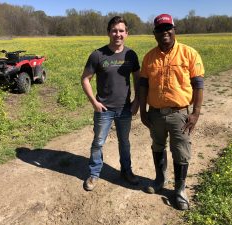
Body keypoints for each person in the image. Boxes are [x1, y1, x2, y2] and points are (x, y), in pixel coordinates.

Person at [139, 14, 204, 210]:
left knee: (181, 152)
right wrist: (143, 110)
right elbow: (142, 86)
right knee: (157, 146)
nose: (164, 32)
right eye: (160, 29)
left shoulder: (189, 53)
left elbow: (198, 84)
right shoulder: (149, 57)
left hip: (180, 114)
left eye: (168, 28)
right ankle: (160, 180)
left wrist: (196, 113)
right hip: (156, 113)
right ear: (154, 33)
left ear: (174, 30)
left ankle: (180, 189)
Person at [81, 16, 141, 191]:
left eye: (121, 31)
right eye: (114, 30)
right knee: (98, 142)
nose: (118, 34)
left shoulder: (131, 55)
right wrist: (94, 102)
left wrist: (137, 101)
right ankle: (94, 173)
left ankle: (126, 171)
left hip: (125, 108)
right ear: (108, 32)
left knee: (125, 142)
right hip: (104, 109)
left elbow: (137, 79)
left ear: (127, 34)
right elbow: (85, 79)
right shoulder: (98, 55)